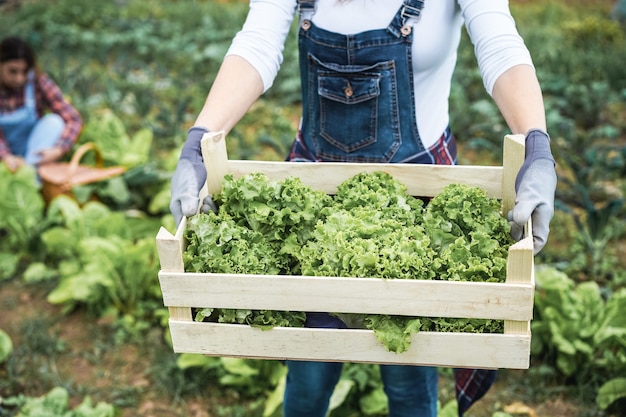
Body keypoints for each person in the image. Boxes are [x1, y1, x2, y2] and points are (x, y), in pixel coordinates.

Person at [170, 1, 557, 416]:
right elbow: (256, 44)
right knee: (309, 367)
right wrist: (200, 138)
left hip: (419, 199)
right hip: (315, 201)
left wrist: (536, 143)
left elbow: (500, 46)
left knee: (408, 372)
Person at [0, 36, 82, 173]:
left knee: (54, 122)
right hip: (4, 155)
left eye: (24, 72)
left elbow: (73, 118)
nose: (19, 78)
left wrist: (59, 150)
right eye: (12, 71)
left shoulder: (37, 81)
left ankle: (31, 176)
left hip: (33, 151)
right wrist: (5, 156)